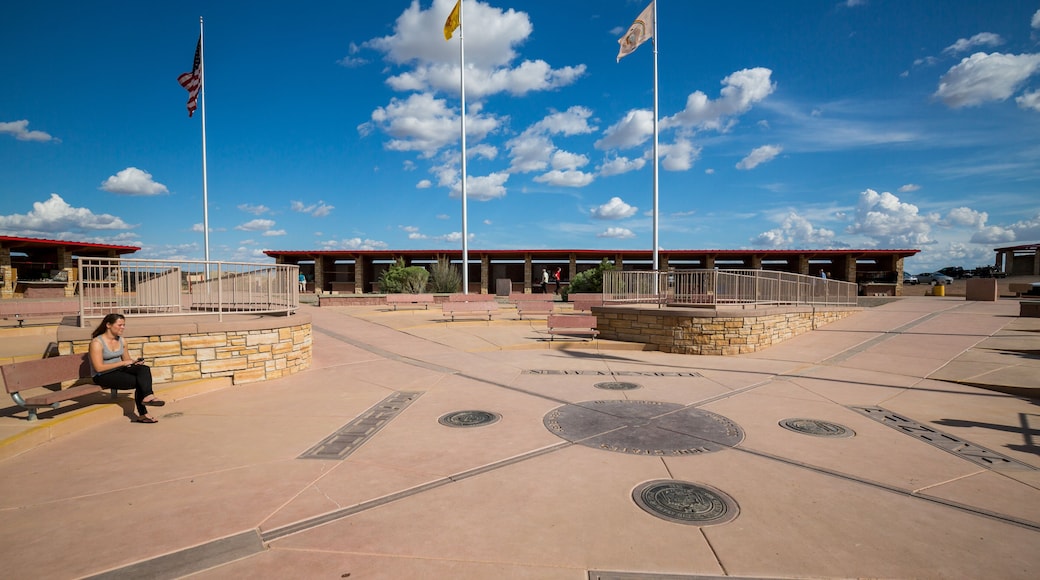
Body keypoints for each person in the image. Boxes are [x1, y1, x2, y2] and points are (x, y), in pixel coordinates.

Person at [88, 313, 162, 423]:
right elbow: (99, 368)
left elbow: (127, 361)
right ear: (108, 325)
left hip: (118, 371)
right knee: (139, 381)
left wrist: (135, 362)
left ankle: (148, 396)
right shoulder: (97, 343)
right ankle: (143, 413)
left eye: (124, 325)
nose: (123, 327)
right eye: (120, 325)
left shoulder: (122, 341)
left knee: (144, 369)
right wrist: (122, 363)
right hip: (103, 375)